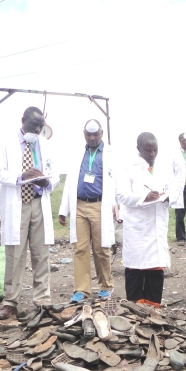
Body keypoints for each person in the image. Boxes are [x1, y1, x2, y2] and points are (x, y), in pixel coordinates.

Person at [0, 107, 58, 321]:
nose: (37, 130)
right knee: (15, 254)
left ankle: (42, 300)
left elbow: (55, 174)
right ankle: (10, 302)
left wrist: (46, 181)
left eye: (40, 127)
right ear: (23, 121)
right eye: (33, 125)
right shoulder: (6, 142)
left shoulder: (46, 145)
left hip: (39, 202)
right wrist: (22, 176)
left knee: (41, 253)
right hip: (17, 203)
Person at [117, 132, 183, 305]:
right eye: (148, 151)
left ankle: (154, 308)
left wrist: (168, 196)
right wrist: (145, 197)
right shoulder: (128, 167)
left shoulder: (163, 167)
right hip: (137, 226)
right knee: (135, 268)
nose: (152, 154)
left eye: (155, 150)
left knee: (156, 267)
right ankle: (134, 308)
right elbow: (122, 195)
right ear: (138, 149)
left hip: (157, 224)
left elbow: (175, 189)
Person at [58, 119, 117, 302]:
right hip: (79, 205)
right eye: (88, 134)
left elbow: (116, 182)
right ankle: (82, 289)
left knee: (101, 248)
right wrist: (63, 209)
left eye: (96, 134)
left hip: (101, 205)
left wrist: (118, 207)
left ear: (101, 134)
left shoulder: (111, 154)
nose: (92, 138)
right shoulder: (78, 153)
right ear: (84, 134)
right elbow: (69, 183)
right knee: (79, 248)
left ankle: (106, 286)